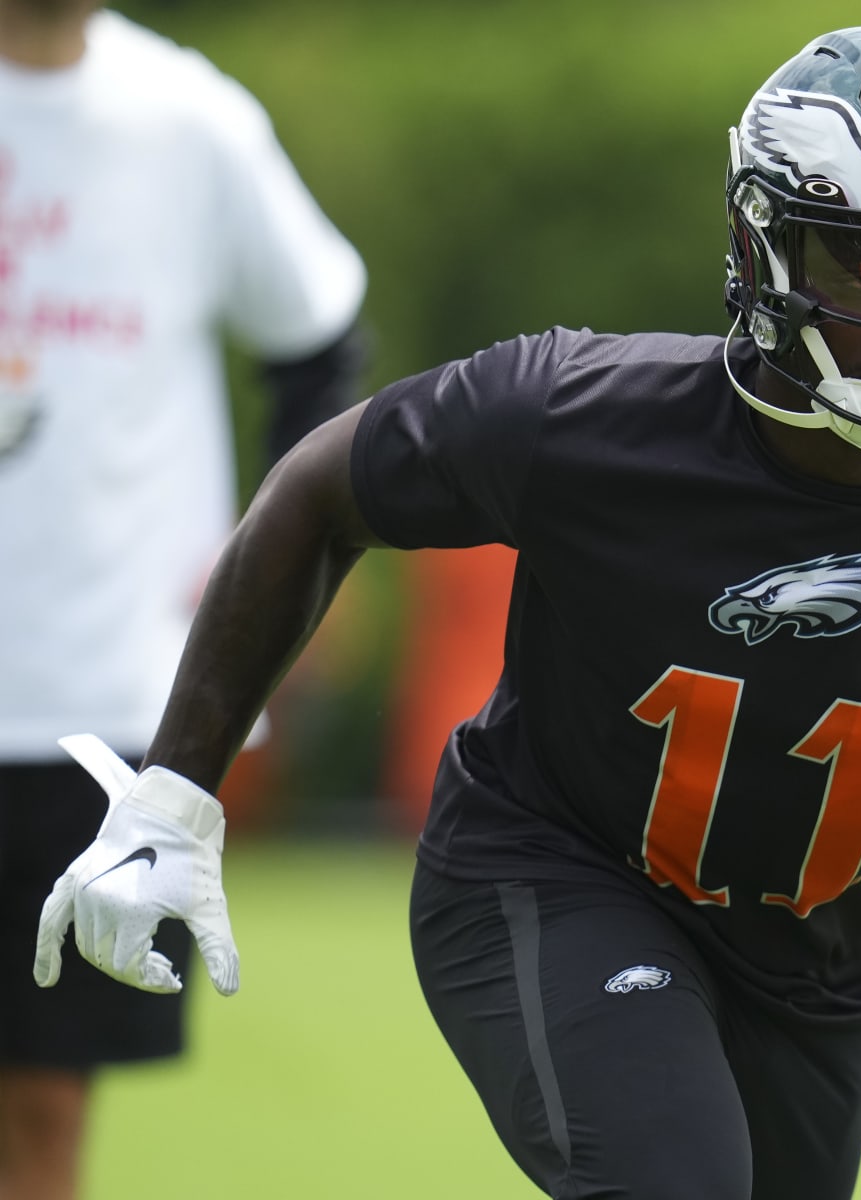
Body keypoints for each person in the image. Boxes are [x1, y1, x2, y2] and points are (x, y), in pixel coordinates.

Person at [32, 25, 861, 1200]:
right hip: (556, 872)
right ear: (766, 249)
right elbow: (321, 494)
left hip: (820, 982)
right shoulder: (587, 416)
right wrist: (178, 789)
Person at [0, 2, 365, 1196]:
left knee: (42, 1104)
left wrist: (275, 564)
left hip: (99, 700)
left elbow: (317, 338)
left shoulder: (190, 121)